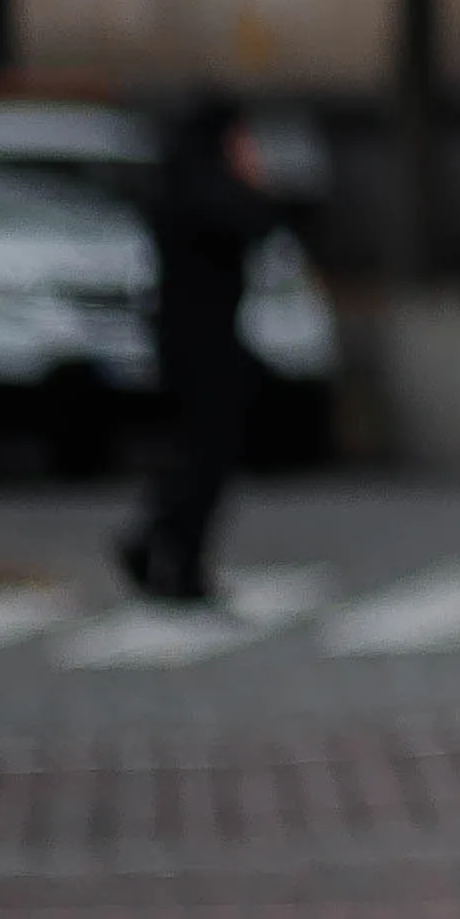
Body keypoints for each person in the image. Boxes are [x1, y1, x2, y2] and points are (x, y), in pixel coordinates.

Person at [112, 94, 267, 608]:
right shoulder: (202, 188)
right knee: (207, 454)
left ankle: (159, 546)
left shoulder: (183, 180)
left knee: (199, 453)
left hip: (195, 335)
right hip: (202, 339)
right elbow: (254, 224)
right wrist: (252, 179)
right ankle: (174, 557)